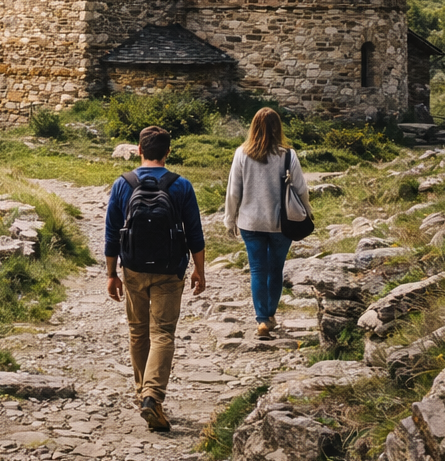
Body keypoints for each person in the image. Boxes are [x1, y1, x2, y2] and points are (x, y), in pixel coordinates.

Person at [106, 126, 207, 433]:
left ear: (139, 150)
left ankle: (142, 394)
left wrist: (112, 274)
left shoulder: (123, 184)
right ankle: (153, 395)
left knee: (138, 331)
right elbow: (195, 233)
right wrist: (199, 270)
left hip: (133, 267)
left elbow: (112, 234)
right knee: (162, 332)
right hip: (169, 269)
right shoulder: (181, 186)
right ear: (168, 153)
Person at [224, 107, 310, 339]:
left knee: (257, 270)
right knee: (276, 269)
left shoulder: (242, 153)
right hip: (282, 223)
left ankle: (262, 319)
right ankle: (270, 314)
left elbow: (234, 192)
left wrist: (229, 219)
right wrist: (308, 212)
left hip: (250, 223)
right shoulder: (288, 155)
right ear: (278, 128)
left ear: (253, 127)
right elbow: (301, 189)